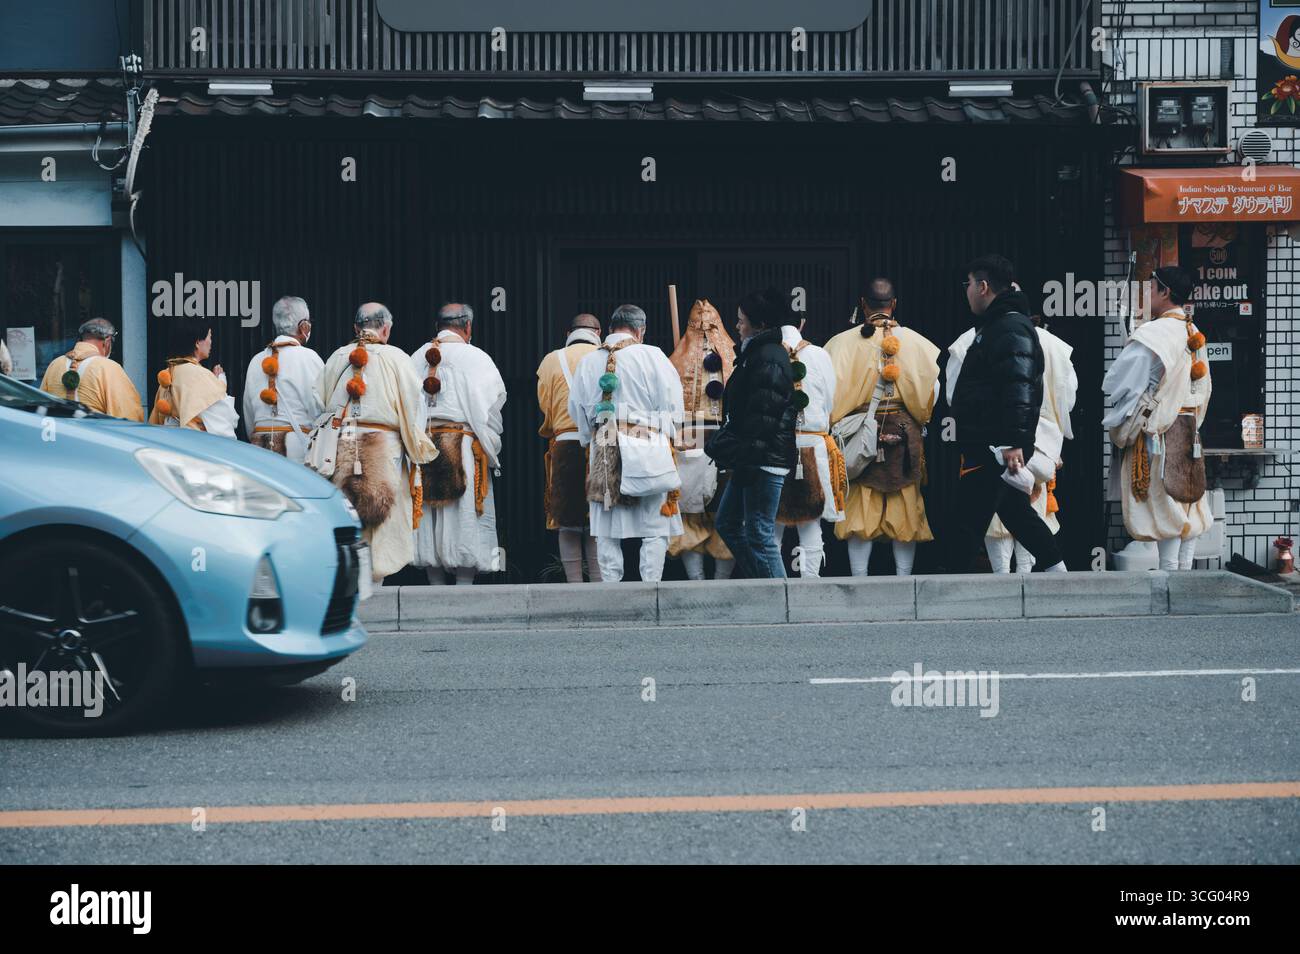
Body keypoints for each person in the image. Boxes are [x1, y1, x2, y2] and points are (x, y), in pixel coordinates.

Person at [946, 255, 1068, 573]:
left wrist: (1014, 441)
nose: (967, 291)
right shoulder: (1000, 325)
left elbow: (1019, 386)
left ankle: (940, 599)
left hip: (993, 445)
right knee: (1017, 513)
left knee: (965, 524)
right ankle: (1060, 573)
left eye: (968, 284)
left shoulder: (1008, 327)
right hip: (992, 442)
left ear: (983, 286)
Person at [825, 278, 940, 576]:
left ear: (863, 304)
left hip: (860, 432)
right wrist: (919, 416)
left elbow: (828, 394)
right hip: (905, 429)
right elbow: (932, 391)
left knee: (861, 508)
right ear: (894, 304)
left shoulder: (840, 343)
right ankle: (904, 580)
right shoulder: (917, 342)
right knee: (905, 508)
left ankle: (860, 580)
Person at [318, 303, 437, 584]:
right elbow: (414, 407)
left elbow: (320, 401)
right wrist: (416, 444)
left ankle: (350, 584)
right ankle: (375, 585)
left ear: (356, 328)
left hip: (342, 445)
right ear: (386, 329)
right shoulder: (397, 357)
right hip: (385, 448)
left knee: (347, 518)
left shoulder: (336, 357)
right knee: (381, 521)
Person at [1103, 266, 1212, 571]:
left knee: (1165, 502)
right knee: (1188, 498)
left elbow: (1121, 382)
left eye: (1150, 289)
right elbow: (1205, 388)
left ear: (1165, 292)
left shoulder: (1155, 332)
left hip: (1159, 432)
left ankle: (1168, 574)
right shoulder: (1193, 332)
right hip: (1189, 430)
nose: (1146, 295)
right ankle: (1184, 571)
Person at [568, 304, 685, 583]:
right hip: (648, 443)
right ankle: (651, 585)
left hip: (604, 442)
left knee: (607, 526)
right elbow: (672, 406)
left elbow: (577, 410)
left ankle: (611, 588)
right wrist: (668, 434)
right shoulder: (653, 356)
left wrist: (589, 438)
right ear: (640, 330)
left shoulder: (588, 360)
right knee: (654, 524)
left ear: (609, 329)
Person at [409, 303, 506, 586]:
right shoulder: (476, 357)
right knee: (463, 518)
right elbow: (492, 406)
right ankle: (464, 585)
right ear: (468, 327)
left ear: (437, 326)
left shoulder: (415, 357)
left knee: (429, 517)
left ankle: (435, 584)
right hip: (462, 445)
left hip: (424, 445)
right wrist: (489, 440)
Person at [707, 288, 797, 579]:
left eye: (741, 320)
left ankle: (781, 599)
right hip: (755, 456)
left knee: (759, 532)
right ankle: (766, 584)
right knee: (728, 523)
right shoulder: (759, 353)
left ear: (758, 324)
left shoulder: (768, 356)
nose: (737, 325)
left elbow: (764, 416)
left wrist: (747, 459)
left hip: (761, 458)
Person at [666, 299, 737, 581]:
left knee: (695, 515)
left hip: (694, 441)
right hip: (714, 440)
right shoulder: (733, 355)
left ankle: (704, 580)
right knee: (705, 513)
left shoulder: (674, 360)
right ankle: (707, 580)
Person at [774, 318, 845, 577]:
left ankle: (775, 585)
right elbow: (830, 399)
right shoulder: (819, 354)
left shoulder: (769, 355)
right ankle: (810, 582)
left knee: (773, 524)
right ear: (800, 330)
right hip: (813, 441)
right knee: (811, 520)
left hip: (777, 445)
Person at [537, 313, 604, 582]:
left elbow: (545, 403)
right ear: (598, 332)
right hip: (602, 442)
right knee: (598, 520)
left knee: (567, 521)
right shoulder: (607, 355)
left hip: (565, 443)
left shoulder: (552, 360)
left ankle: (574, 585)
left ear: (568, 333)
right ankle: (601, 583)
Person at [242, 296, 324, 461]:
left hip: (259, 449)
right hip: (296, 449)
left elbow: (248, 416)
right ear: (303, 326)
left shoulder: (256, 360)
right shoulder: (309, 357)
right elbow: (320, 410)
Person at [39, 317, 143, 421]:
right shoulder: (110, 368)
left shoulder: (55, 364)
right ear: (107, 341)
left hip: (61, 435)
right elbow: (129, 417)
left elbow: (41, 406)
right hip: (94, 435)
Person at [148, 318, 238, 437]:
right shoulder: (199, 375)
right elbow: (228, 419)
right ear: (197, 343)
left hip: (168, 440)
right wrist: (220, 382)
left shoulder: (168, 372)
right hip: (191, 442)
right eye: (209, 337)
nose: (211, 342)